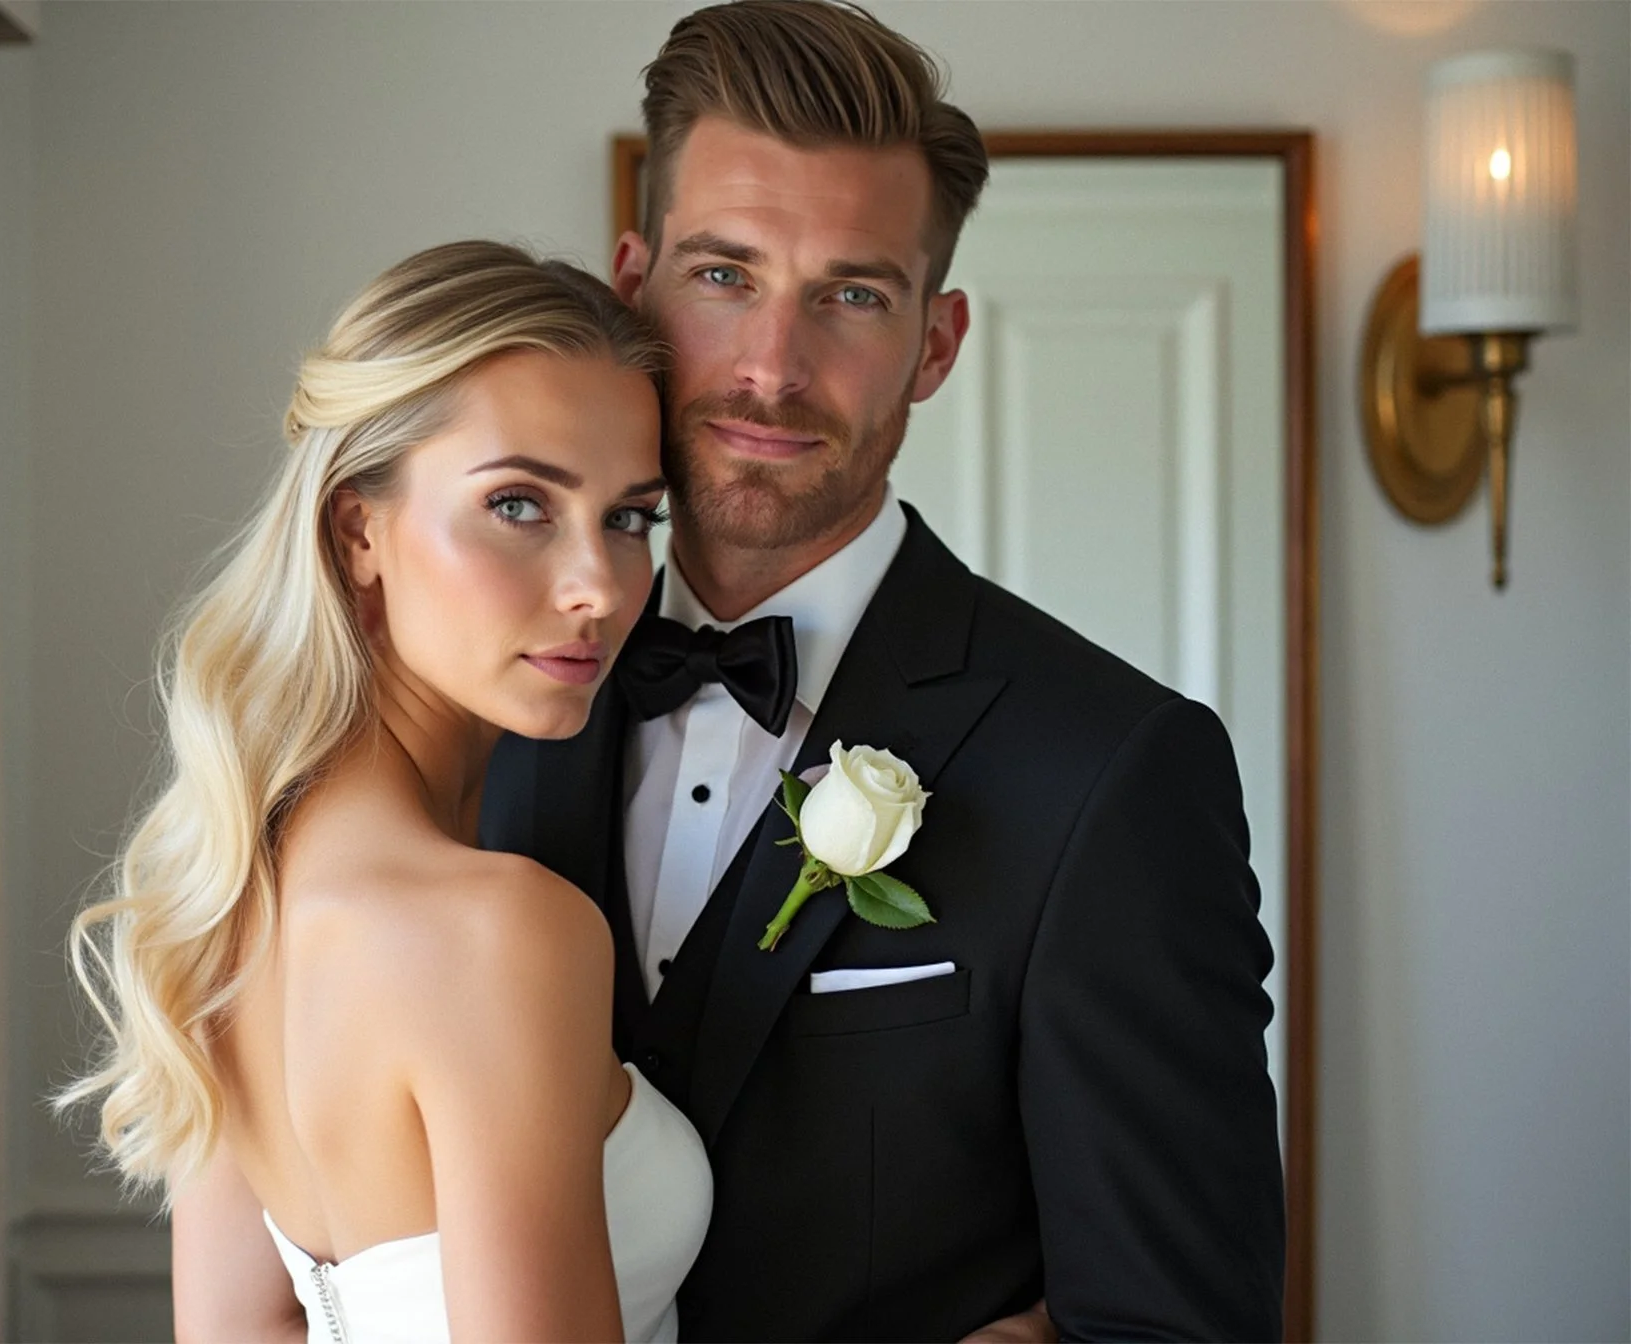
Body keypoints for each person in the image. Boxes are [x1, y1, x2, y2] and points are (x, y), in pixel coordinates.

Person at [479, 2, 1287, 1339]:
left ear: (937, 342)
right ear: (633, 284)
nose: (771, 368)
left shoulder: (1112, 774)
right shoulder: (476, 708)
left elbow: (1174, 1323)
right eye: (724, 275)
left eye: (850, 295)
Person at [61, 241, 715, 1342]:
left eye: (630, 518)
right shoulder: (500, 930)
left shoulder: (230, 898)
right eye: (519, 504)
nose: (598, 585)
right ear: (358, 528)